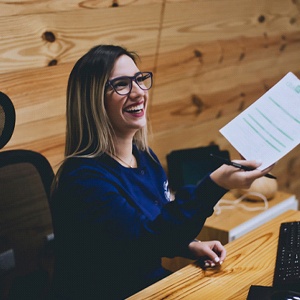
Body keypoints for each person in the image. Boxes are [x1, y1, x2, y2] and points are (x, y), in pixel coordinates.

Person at [49, 44, 274, 300]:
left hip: (150, 286)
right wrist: (216, 184)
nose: (138, 93)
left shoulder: (143, 156)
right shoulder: (82, 179)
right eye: (121, 84)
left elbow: (153, 227)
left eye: (139, 80)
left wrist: (189, 245)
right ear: (92, 101)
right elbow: (142, 243)